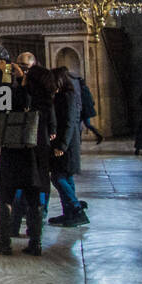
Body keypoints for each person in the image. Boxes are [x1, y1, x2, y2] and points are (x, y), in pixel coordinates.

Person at [0, 61, 55, 256]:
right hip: (37, 153)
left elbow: (0, 104)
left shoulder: (16, 95)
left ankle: (5, 242)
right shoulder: (46, 99)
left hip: (15, 151)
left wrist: (6, 75)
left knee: (6, 196)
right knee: (34, 199)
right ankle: (35, 243)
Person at [48, 66, 88, 227]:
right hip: (64, 143)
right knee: (66, 176)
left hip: (67, 145)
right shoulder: (62, 95)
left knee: (58, 177)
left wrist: (62, 146)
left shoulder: (68, 96)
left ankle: (77, 209)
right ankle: (69, 213)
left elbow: (70, 122)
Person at [78, 76, 103, 144]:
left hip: (83, 111)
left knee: (79, 126)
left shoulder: (80, 90)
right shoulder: (86, 89)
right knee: (87, 125)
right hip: (86, 111)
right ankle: (98, 135)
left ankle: (79, 141)